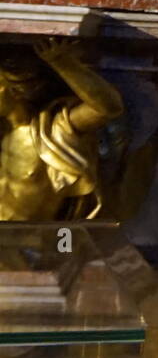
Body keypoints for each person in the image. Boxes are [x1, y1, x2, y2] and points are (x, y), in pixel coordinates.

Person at [0, 38, 122, 222]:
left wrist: (62, 62)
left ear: (16, 91)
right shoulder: (4, 132)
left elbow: (107, 108)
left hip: (33, 240)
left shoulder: (53, 130)